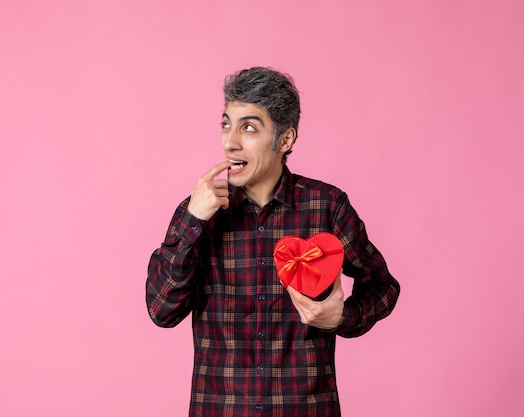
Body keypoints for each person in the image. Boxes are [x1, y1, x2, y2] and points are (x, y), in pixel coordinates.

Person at [146, 66, 400, 417]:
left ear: (285, 140)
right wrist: (193, 220)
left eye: (248, 127)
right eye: (225, 124)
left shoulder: (326, 206)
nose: (229, 141)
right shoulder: (198, 211)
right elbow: (162, 311)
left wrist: (342, 316)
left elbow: (383, 286)